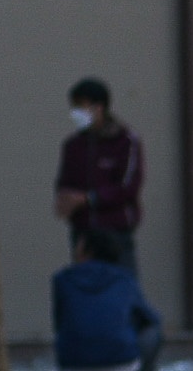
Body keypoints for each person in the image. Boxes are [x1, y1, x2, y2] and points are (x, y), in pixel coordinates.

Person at [56, 77, 145, 272]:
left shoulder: (126, 142)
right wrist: (65, 200)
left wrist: (89, 199)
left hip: (116, 233)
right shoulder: (74, 145)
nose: (76, 113)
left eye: (82, 107)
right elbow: (64, 181)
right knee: (85, 291)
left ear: (99, 108)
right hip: (83, 234)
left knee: (121, 290)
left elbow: (127, 188)